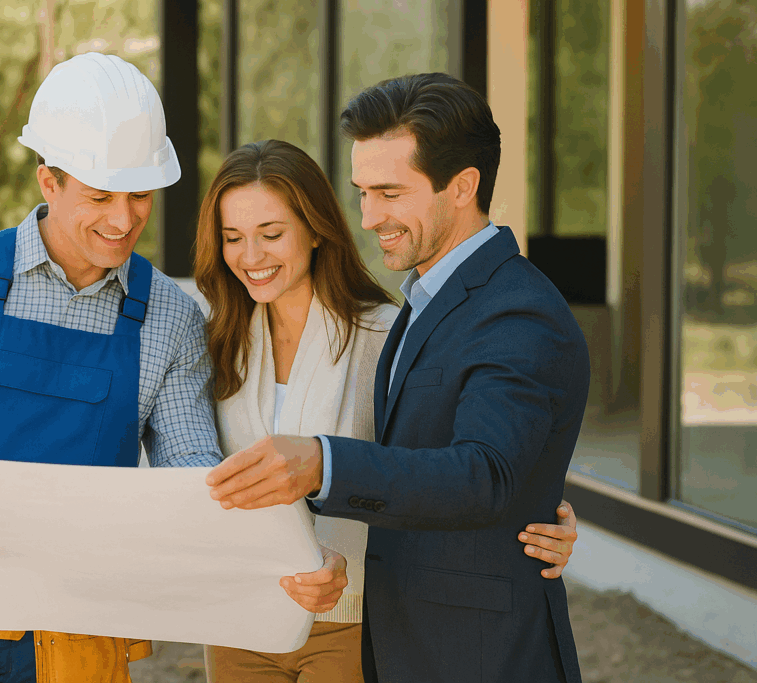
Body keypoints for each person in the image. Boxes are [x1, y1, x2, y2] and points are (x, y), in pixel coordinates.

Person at [0, 53, 345, 683]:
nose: (123, 219)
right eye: (101, 196)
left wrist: (288, 554)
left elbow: (193, 474)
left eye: (140, 196)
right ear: (48, 182)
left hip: (80, 635)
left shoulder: (169, 316)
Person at [199, 138, 583, 683]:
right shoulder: (214, 342)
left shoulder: (387, 335)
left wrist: (540, 507)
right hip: (240, 621)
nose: (251, 257)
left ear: (314, 229)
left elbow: (450, 468)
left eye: (272, 234)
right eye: (233, 238)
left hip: (354, 622)